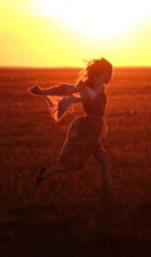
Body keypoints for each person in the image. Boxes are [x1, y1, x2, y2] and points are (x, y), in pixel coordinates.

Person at [28, 57, 113, 199]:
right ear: (104, 72)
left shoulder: (90, 86)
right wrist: (43, 92)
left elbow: (67, 89)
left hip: (92, 127)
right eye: (110, 72)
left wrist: (44, 92)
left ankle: (108, 194)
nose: (111, 75)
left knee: (103, 160)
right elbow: (69, 90)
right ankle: (46, 173)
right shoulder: (92, 87)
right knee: (76, 163)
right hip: (90, 128)